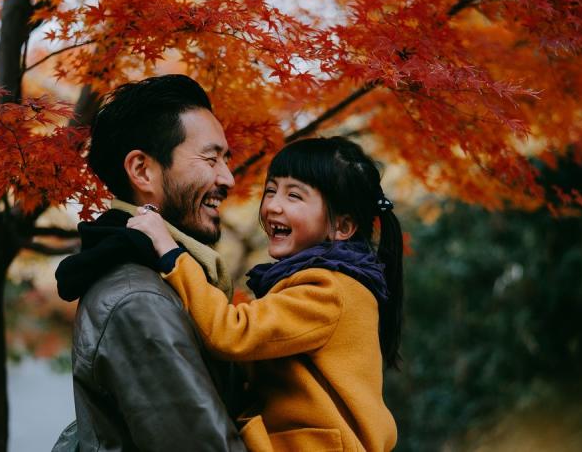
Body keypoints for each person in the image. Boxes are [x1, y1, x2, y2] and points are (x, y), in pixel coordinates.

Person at [127, 136, 403, 452]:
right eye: (271, 190)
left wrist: (170, 251)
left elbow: (230, 332)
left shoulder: (328, 290)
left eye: (294, 196)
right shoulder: (326, 282)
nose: (272, 205)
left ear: (341, 227)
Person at [52, 75, 247, 451]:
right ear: (142, 170)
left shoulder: (161, 278)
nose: (229, 178)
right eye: (211, 158)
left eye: (226, 159)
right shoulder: (140, 300)